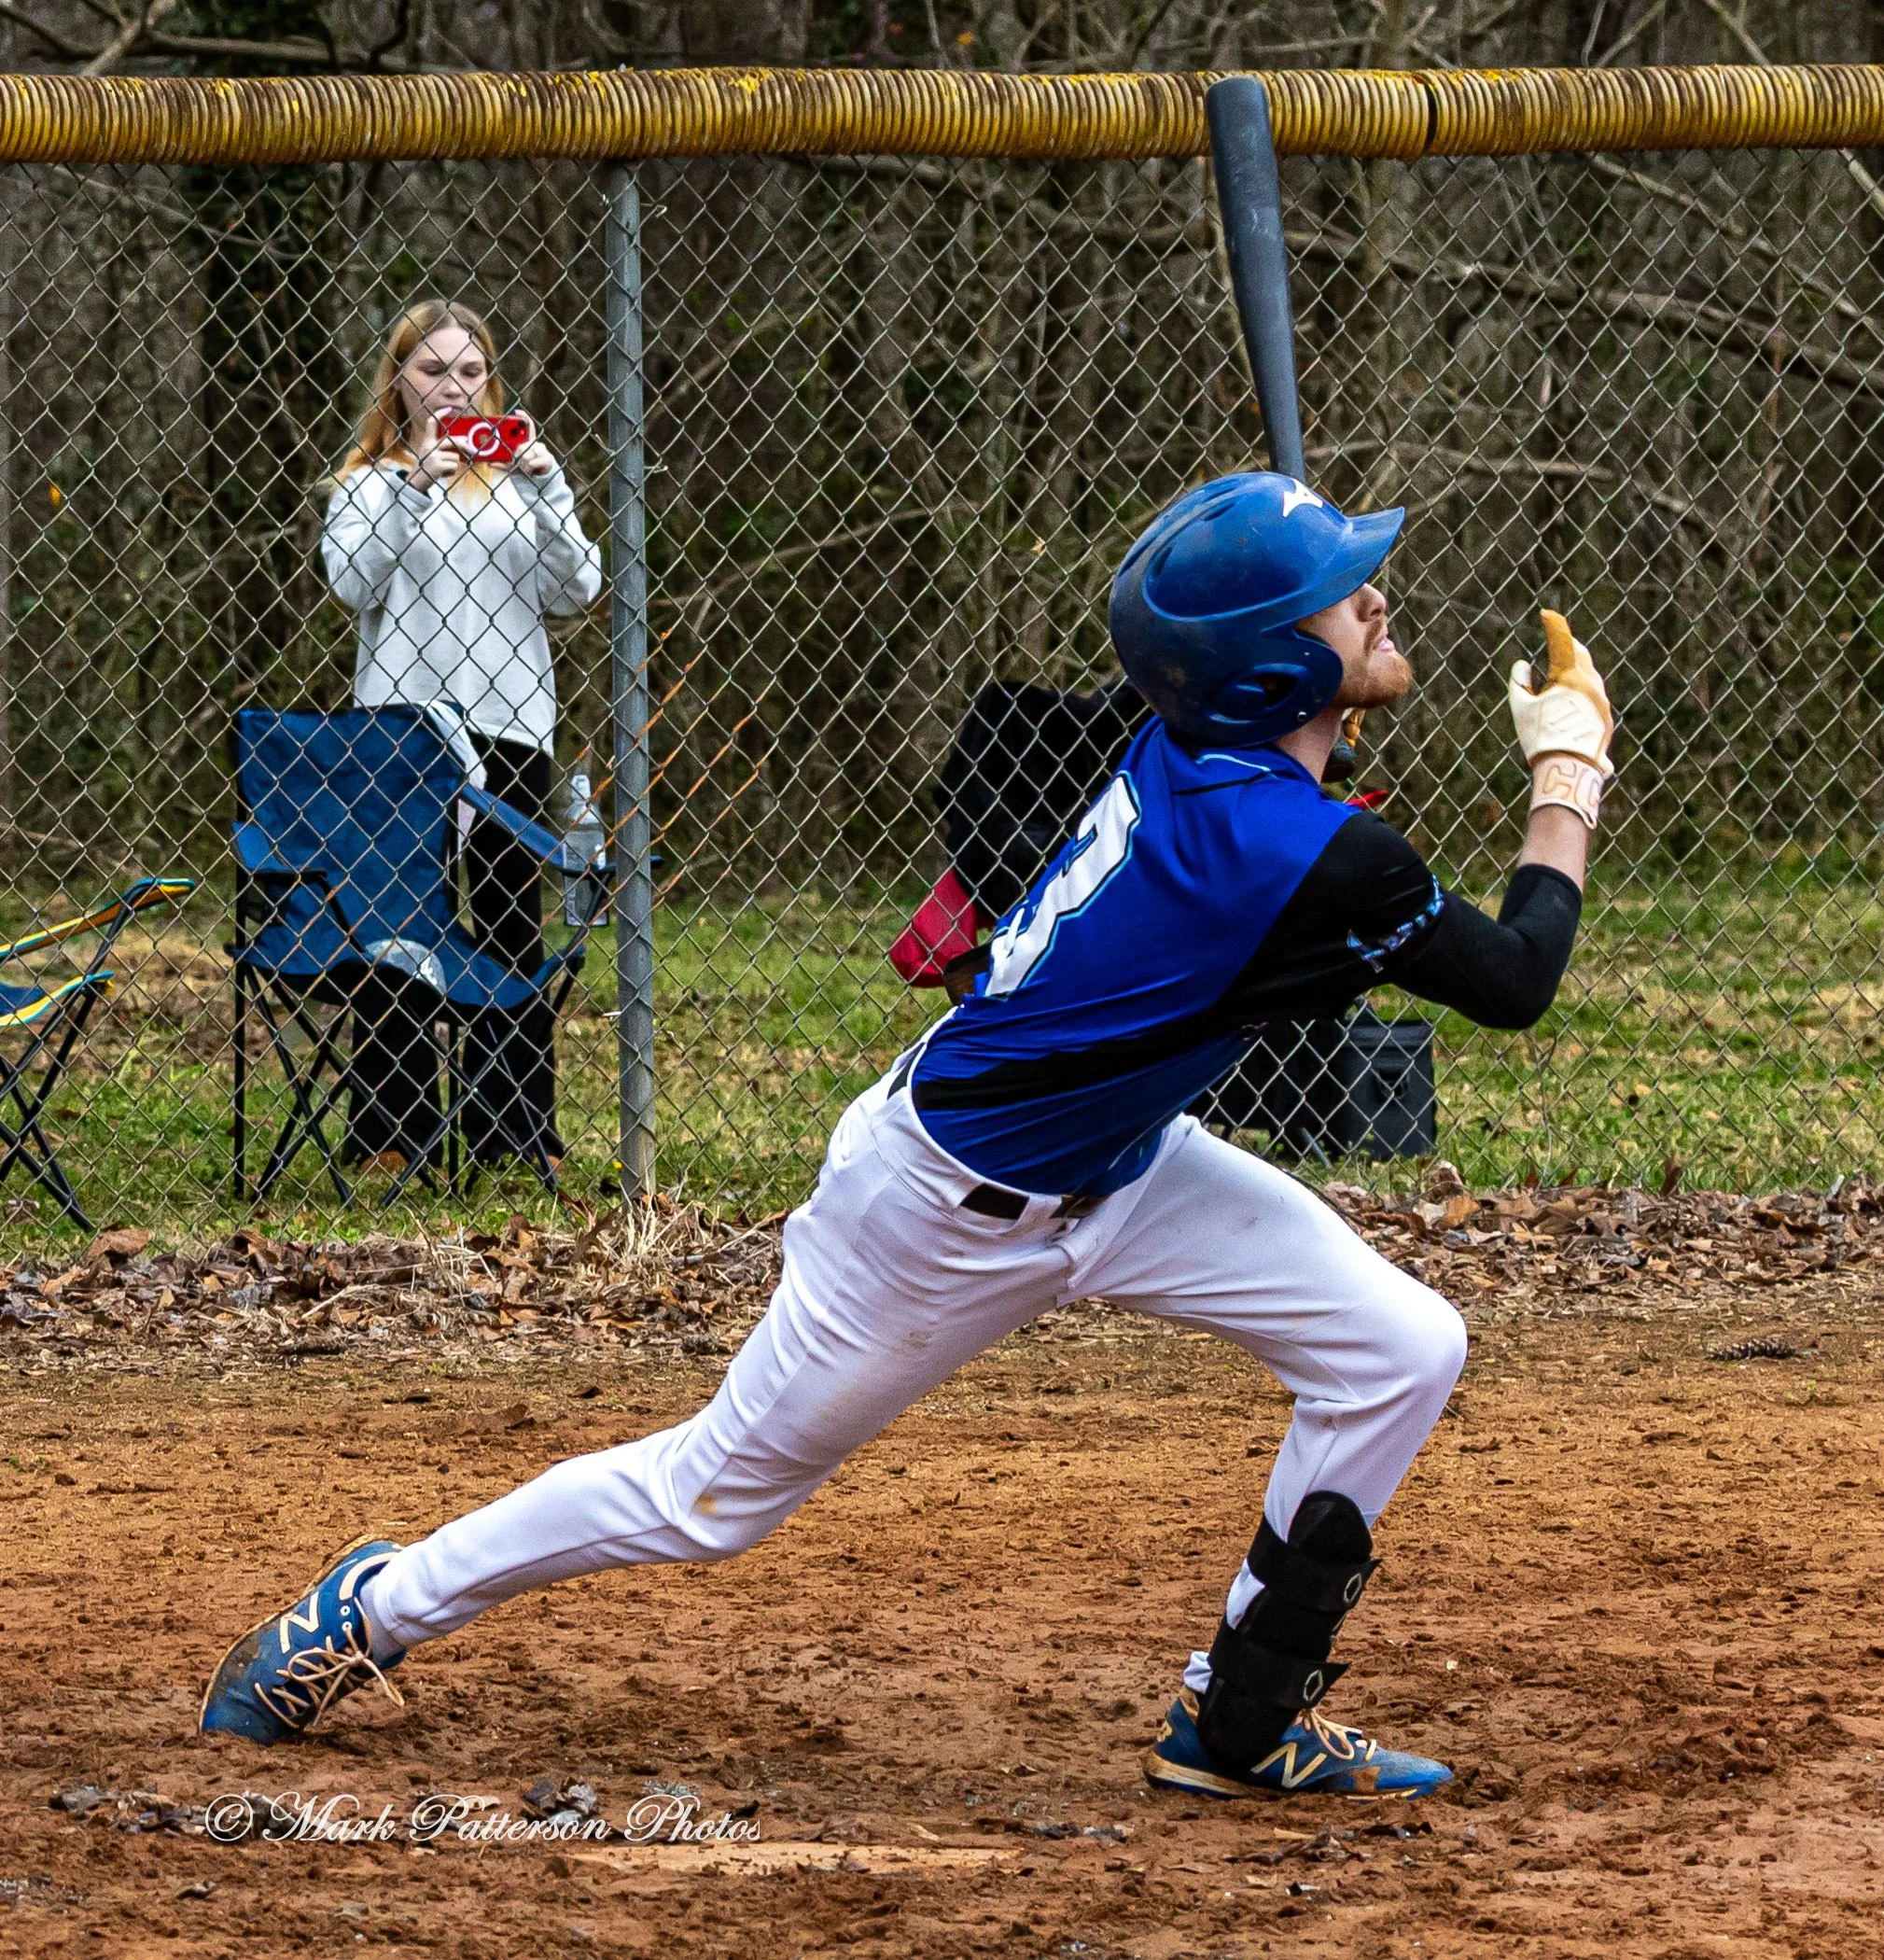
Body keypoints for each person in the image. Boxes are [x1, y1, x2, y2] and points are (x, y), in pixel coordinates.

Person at [200, 472, 1614, 1801]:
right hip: (938, 1206)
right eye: (1339, 595)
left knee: (1399, 1346)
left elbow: (1300, 816)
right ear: (1268, 677)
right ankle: (371, 1607)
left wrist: (1310, 647)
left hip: (1121, 1166)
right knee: (711, 1497)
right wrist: (1566, 768)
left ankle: (1241, 1720)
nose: (1375, 597)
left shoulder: (1213, 759)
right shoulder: (1306, 854)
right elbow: (1512, 979)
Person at [321, 297, 602, 1175]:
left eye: (470, 372)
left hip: (509, 728)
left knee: (508, 923)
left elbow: (577, 590)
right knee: (398, 928)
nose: (453, 388)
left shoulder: (519, 484)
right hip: (399, 734)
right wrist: (413, 490)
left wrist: (548, 482)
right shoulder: (368, 483)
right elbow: (351, 586)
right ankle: (390, 1131)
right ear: (397, 379)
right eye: (432, 369)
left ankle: (512, 1126)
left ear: (493, 382)